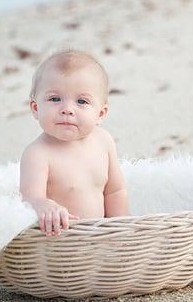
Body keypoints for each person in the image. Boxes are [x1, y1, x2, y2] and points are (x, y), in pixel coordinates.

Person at [19, 50, 129, 236]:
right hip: (62, 241)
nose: (67, 109)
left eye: (81, 101)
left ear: (100, 114)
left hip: (101, 238)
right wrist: (43, 204)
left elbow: (115, 191)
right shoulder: (38, 153)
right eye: (55, 99)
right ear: (35, 108)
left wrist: (122, 228)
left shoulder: (104, 142)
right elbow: (29, 198)